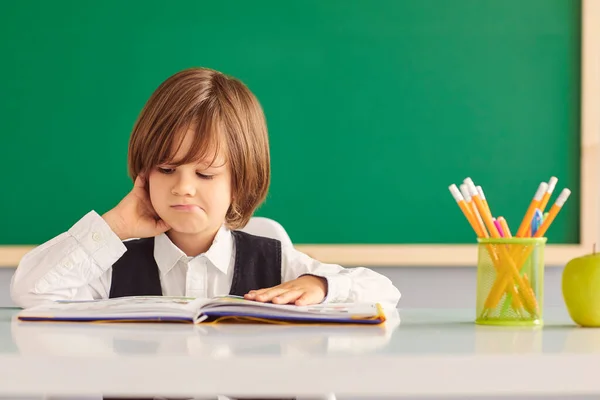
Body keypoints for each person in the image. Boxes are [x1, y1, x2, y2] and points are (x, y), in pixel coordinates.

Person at [10, 67, 401, 312]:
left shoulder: (276, 262)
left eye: (206, 174)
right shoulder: (112, 265)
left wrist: (319, 285)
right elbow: (30, 290)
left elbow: (384, 293)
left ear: (240, 182)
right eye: (167, 169)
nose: (183, 188)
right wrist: (113, 227)